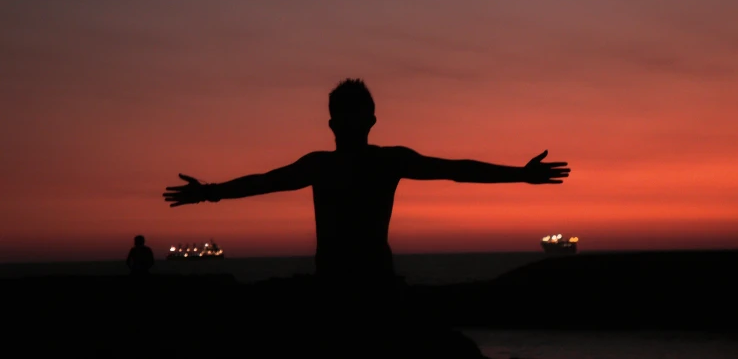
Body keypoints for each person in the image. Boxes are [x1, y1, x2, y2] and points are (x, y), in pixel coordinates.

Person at [163, 78, 570, 285]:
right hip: (349, 286)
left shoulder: (363, 163)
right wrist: (209, 192)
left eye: (355, 115)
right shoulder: (340, 164)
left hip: (364, 285)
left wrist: (520, 174)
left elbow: (457, 168)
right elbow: (264, 182)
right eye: (349, 116)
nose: (352, 123)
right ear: (337, 123)